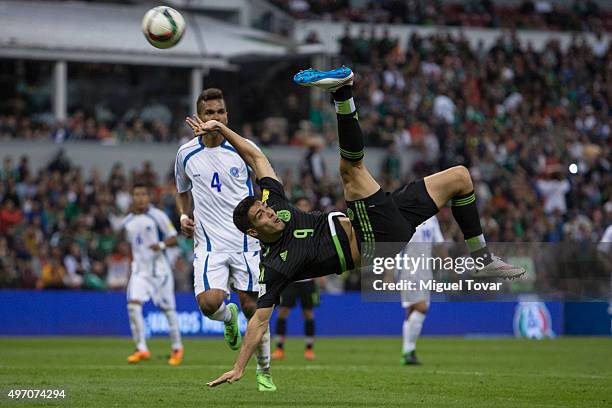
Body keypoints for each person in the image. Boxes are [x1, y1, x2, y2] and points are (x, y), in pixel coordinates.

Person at [204, 66, 525, 387]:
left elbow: (256, 158)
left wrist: (221, 128)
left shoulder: (275, 204)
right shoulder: (274, 265)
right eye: (261, 217)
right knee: (351, 170)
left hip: (378, 219)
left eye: (264, 208)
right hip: (373, 241)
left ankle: (481, 258)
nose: (270, 214)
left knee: (460, 177)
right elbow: (259, 322)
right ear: (253, 232)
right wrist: (239, 367)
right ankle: (343, 92)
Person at [176, 88, 275, 391]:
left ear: (227, 116)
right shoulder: (186, 154)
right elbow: (181, 190)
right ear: (199, 117)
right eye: (209, 113)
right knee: (208, 304)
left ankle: (264, 370)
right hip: (209, 245)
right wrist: (183, 216)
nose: (216, 118)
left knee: (253, 308)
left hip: (247, 242)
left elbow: (267, 182)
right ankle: (225, 315)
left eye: (220, 112)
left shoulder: (243, 149)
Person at [121, 183, 183, 366]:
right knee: (133, 306)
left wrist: (162, 245)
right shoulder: (128, 221)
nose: (140, 198)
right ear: (132, 197)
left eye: (143, 194)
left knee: (168, 310)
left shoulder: (158, 216)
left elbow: (173, 236)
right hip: (139, 271)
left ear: (148, 197)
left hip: (160, 271)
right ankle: (141, 348)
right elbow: (130, 245)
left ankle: (177, 347)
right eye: (136, 194)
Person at [271, 197, 320, 361]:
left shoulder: (315, 225)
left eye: (306, 205)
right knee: (283, 312)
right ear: (296, 209)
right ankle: (279, 348)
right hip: (290, 280)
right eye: (301, 206)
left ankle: (309, 348)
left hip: (308, 280)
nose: (304, 208)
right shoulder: (288, 226)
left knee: (308, 313)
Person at [398, 216, 444, 365]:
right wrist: (389, 269)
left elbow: (439, 243)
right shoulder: (407, 214)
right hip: (409, 270)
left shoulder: (433, 219)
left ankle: (408, 353)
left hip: (426, 271)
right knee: (421, 308)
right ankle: (408, 351)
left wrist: (447, 263)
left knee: (412, 311)